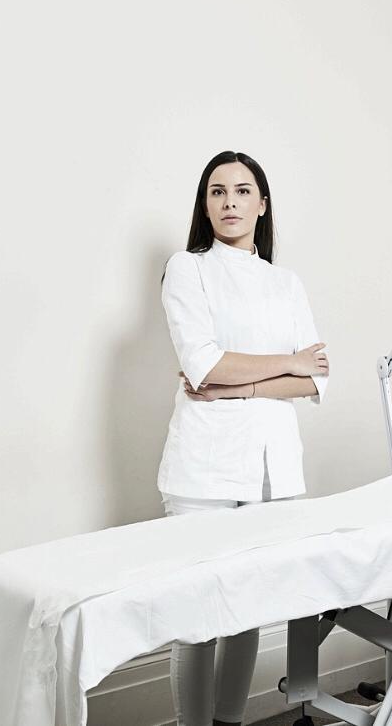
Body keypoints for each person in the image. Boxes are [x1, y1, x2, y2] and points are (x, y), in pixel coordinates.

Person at [159, 150, 329, 726]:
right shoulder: (188, 269)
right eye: (217, 192)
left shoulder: (286, 283)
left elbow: (315, 380)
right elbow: (204, 364)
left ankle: (229, 722)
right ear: (205, 206)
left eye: (241, 191)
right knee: (196, 616)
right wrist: (286, 361)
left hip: (270, 467)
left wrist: (243, 386)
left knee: (245, 610)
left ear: (262, 204)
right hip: (202, 468)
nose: (229, 202)